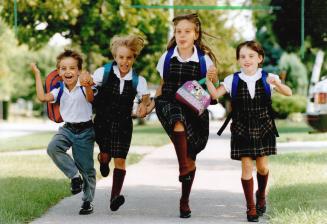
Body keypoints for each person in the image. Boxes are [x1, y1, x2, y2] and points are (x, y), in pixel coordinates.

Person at [206, 40, 292, 222]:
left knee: (262, 167)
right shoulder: (232, 80)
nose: (247, 59)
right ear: (238, 60)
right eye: (243, 56)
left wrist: (277, 83)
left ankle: (261, 195)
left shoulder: (269, 77)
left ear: (259, 58)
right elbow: (214, 95)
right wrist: (209, 80)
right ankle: (251, 207)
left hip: (263, 127)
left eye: (251, 56)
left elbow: (288, 92)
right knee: (246, 167)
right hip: (241, 127)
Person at [147, 13, 218, 218]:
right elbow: (161, 87)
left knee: (192, 156)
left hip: (194, 106)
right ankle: (182, 166)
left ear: (195, 35)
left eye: (187, 31)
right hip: (169, 101)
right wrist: (151, 106)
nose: (182, 35)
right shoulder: (167, 57)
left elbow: (211, 92)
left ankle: (184, 199)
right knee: (178, 121)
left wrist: (212, 79)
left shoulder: (205, 60)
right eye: (178, 31)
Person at [80, 34, 150, 212]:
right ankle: (103, 161)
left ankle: (114, 197)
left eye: (129, 58)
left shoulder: (138, 80)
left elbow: (146, 99)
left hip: (124, 124)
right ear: (115, 57)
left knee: (120, 159)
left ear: (134, 58)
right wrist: (87, 85)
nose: (124, 61)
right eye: (121, 57)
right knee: (106, 155)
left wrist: (143, 105)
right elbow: (90, 98)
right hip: (103, 121)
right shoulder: (102, 73)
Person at [30, 49, 96, 215]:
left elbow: (91, 99)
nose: (68, 71)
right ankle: (74, 177)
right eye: (64, 68)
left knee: (86, 168)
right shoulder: (58, 89)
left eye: (72, 68)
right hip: (67, 129)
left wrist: (87, 84)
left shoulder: (84, 86)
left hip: (85, 130)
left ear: (79, 71)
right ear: (58, 72)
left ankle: (87, 201)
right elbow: (42, 98)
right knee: (53, 147)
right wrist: (37, 74)